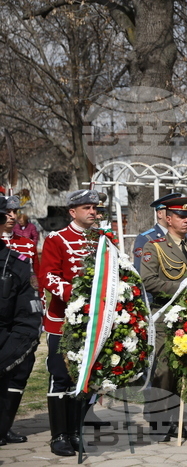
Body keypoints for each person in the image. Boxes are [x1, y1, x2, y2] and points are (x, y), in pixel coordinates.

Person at [141, 196, 187, 440]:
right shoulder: (155, 247)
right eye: (181, 216)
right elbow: (148, 281)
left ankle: (181, 418)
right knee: (163, 371)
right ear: (168, 218)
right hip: (164, 315)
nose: (186, 220)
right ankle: (159, 421)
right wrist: (183, 290)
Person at [38, 189, 100, 456]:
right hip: (63, 320)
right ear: (72, 212)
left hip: (93, 320)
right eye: (87, 208)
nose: (93, 212)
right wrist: (75, 295)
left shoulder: (101, 240)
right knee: (61, 376)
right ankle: (59, 436)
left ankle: (76, 430)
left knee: (84, 376)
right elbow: (47, 277)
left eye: (94, 208)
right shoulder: (57, 239)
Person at [0, 196, 42, 448]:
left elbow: (27, 317)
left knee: (17, 376)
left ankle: (4, 426)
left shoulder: (16, 260)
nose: (13, 215)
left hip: (5, 344)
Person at [131, 192, 182, 272]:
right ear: (159, 214)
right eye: (171, 211)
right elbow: (141, 271)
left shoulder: (186, 237)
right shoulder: (145, 239)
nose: (176, 215)